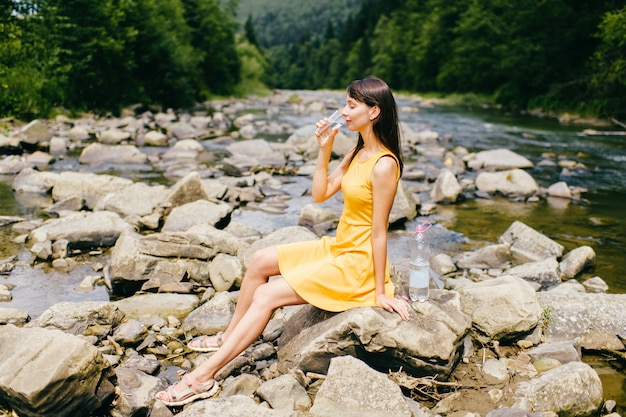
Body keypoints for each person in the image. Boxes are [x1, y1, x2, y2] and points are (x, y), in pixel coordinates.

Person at [155, 76, 410, 406]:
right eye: (345, 104)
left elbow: (379, 232)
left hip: (357, 263)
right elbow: (319, 194)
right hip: (339, 247)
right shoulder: (355, 153)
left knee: (266, 294)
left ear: (374, 111)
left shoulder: (384, 165)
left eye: (351, 105)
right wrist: (324, 149)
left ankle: (202, 378)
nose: (343, 111)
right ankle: (229, 337)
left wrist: (378, 292)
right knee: (260, 260)